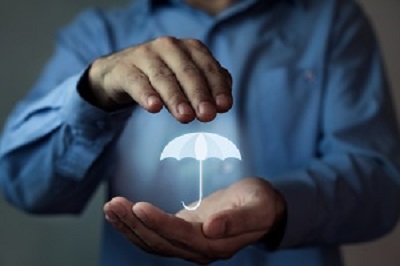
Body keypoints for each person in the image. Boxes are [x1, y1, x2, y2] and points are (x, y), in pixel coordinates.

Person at [1, 0, 400, 265]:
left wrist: (281, 204)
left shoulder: (331, 21)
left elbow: (380, 184)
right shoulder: (100, 33)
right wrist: (94, 92)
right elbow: (22, 183)